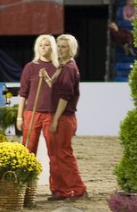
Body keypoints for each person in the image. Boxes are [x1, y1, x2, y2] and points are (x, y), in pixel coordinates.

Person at [47, 34, 88, 201]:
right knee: (56, 154)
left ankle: (79, 190)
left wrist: (55, 119)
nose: (60, 49)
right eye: (59, 46)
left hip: (63, 117)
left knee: (63, 154)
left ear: (71, 49)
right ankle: (62, 190)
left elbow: (65, 96)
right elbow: (56, 89)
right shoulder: (63, 67)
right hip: (59, 115)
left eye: (64, 46)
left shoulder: (69, 68)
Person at [16, 34, 59, 156]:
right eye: (40, 45)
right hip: (32, 112)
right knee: (28, 147)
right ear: (37, 48)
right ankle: (27, 174)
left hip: (51, 113)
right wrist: (20, 117)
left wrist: (46, 78)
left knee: (53, 148)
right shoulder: (30, 67)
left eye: (46, 45)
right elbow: (23, 93)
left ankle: (55, 175)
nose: (43, 47)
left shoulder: (58, 68)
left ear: (52, 47)